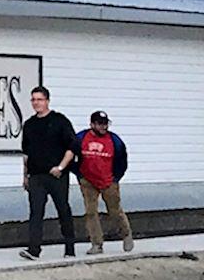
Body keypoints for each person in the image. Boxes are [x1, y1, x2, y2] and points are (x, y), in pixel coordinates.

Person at [19, 84, 78, 260]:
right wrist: (25, 176)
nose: (36, 103)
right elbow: (26, 154)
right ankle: (34, 249)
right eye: (33, 100)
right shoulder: (29, 125)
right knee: (35, 213)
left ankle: (69, 248)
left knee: (63, 210)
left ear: (47, 101)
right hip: (36, 176)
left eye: (40, 99)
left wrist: (60, 167)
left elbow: (72, 147)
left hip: (56, 176)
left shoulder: (60, 121)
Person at [76, 110, 134, 254]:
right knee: (91, 212)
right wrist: (79, 174)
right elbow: (71, 153)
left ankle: (126, 234)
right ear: (92, 124)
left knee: (114, 210)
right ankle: (96, 243)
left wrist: (115, 179)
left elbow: (122, 161)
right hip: (88, 181)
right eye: (100, 124)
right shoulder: (81, 138)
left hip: (108, 181)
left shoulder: (115, 141)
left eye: (105, 124)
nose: (103, 127)